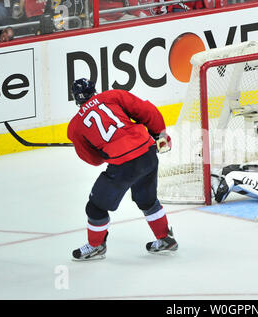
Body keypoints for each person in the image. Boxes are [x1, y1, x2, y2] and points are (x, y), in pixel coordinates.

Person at [68, 78, 177, 260]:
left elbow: (93, 160)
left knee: (95, 207)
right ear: (93, 90)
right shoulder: (113, 95)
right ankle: (165, 238)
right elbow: (146, 111)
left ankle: (96, 246)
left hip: (125, 165)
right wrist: (160, 133)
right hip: (148, 151)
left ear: (75, 98)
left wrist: (107, 153)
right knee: (147, 200)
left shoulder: (74, 128)